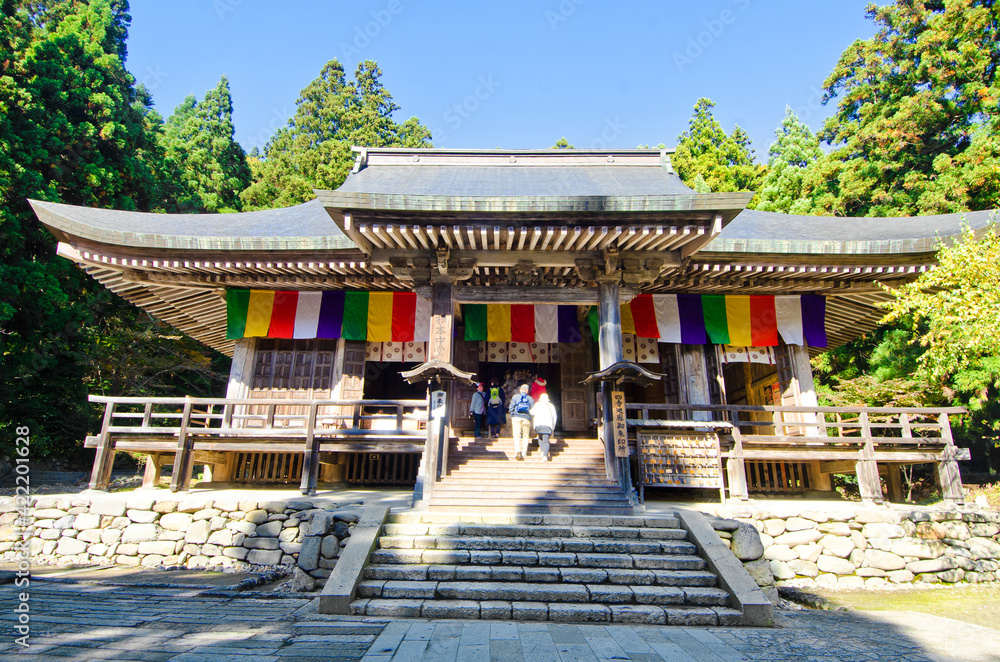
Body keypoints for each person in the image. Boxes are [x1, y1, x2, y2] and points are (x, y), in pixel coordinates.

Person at [508, 384, 534, 461]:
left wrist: (513, 415)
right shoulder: (530, 398)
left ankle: (517, 451)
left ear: (520, 390)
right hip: (526, 418)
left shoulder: (515, 397)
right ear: (527, 391)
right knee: (526, 436)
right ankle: (524, 452)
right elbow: (532, 409)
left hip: (516, 417)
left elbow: (511, 407)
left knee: (516, 435)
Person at [530, 392, 558, 461]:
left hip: (538, 425)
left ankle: (543, 451)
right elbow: (554, 417)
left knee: (540, 438)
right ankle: (545, 455)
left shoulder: (537, 405)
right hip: (547, 425)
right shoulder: (551, 406)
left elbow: (532, 412)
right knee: (546, 440)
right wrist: (553, 427)